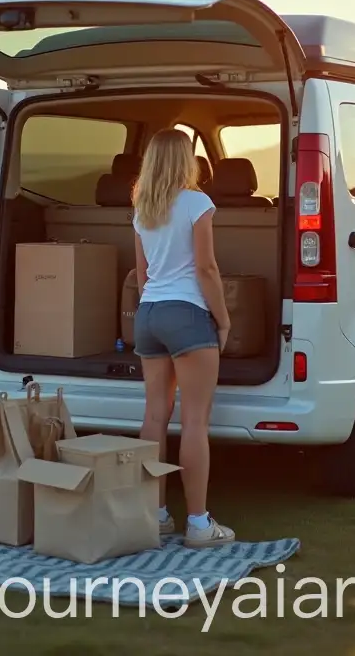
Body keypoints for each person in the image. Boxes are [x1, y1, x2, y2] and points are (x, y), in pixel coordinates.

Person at [131, 129, 235, 547]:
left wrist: (155, 309)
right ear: (185, 162)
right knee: (194, 421)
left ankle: (154, 515)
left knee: (154, 417)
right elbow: (206, 269)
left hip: (148, 314)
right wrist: (222, 320)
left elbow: (142, 275)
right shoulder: (196, 203)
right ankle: (198, 524)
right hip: (187, 315)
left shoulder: (142, 207)